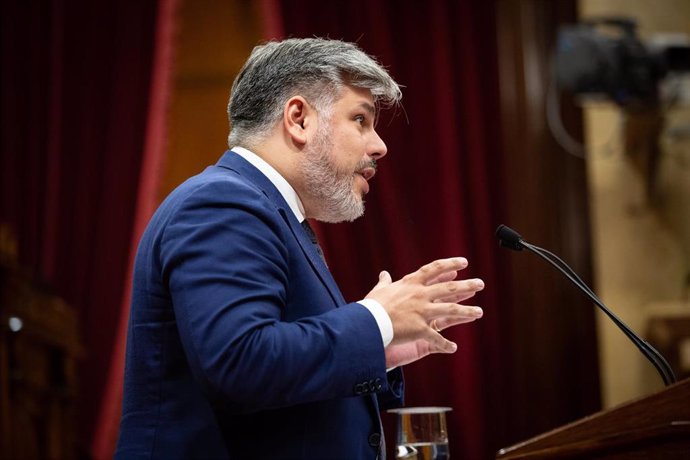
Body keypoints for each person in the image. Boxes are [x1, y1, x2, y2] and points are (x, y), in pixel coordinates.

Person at [115, 37, 485, 459]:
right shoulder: (223, 203)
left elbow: (282, 377)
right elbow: (240, 362)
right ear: (298, 118)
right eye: (360, 119)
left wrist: (377, 349)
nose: (379, 145)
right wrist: (376, 320)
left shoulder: (266, 212)